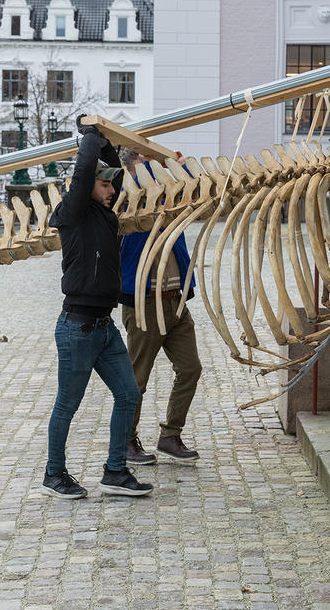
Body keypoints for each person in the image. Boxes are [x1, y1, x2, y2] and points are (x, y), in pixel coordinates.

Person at [41, 122, 152, 499]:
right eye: (104, 186)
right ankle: (54, 474)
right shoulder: (73, 212)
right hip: (78, 328)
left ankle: (115, 471)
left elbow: (111, 171)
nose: (112, 191)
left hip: (105, 328)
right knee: (67, 405)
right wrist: (90, 135)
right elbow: (85, 170)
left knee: (128, 394)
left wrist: (106, 145)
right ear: (88, 185)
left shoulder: (105, 215)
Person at [117, 147, 201, 466]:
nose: (156, 172)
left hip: (175, 302)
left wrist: (178, 166)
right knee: (137, 378)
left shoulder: (168, 200)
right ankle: (126, 441)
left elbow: (195, 188)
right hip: (144, 305)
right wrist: (158, 166)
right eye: (146, 164)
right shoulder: (128, 205)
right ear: (131, 171)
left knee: (190, 368)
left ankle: (170, 435)